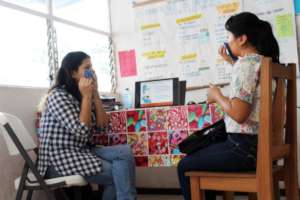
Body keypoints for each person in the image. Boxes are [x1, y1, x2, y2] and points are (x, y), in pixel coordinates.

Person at [177, 12, 279, 200]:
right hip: (263, 147)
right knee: (203, 154)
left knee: (185, 165)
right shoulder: (262, 62)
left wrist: (217, 95)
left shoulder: (245, 65)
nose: (228, 41)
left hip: (243, 150)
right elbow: (251, 86)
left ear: (242, 39)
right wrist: (232, 63)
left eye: (229, 36)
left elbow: (239, 114)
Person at [37, 51, 137, 200]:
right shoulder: (58, 96)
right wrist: (86, 97)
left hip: (80, 150)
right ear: (73, 73)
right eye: (87, 68)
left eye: (92, 67)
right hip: (58, 159)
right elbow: (82, 132)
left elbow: (102, 127)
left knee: (125, 152)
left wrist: (95, 94)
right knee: (119, 173)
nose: (92, 72)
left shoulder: (78, 94)